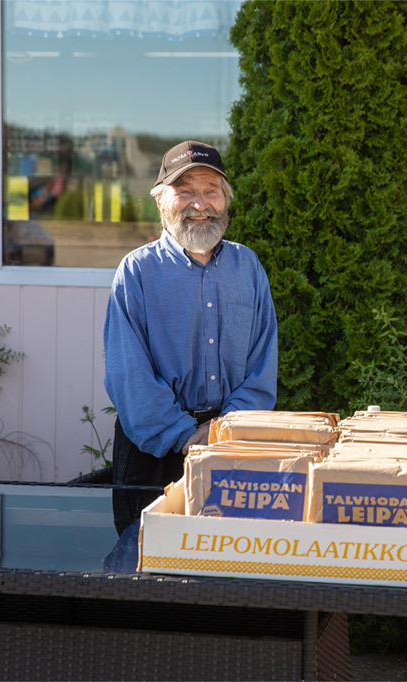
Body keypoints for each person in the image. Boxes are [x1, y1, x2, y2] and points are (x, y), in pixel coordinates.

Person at [103, 140, 278, 535]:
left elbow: (262, 366)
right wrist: (186, 436)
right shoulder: (137, 273)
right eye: (185, 191)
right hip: (154, 454)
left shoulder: (248, 266)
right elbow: (129, 376)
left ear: (225, 201)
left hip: (233, 450)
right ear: (161, 201)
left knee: (230, 568)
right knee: (144, 573)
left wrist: (223, 431)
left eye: (211, 191)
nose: (200, 204)